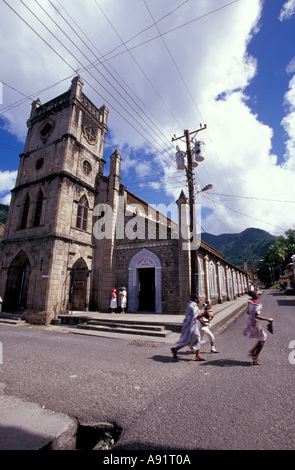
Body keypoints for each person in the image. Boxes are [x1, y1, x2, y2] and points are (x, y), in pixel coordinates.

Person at [171, 294, 207, 361]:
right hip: (192, 326)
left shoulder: (191, 305)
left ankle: (175, 349)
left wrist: (203, 322)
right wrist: (204, 313)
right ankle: (197, 356)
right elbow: (195, 317)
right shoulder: (193, 306)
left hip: (190, 325)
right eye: (199, 298)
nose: (200, 299)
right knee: (197, 339)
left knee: (188, 340)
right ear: (196, 299)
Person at [243, 290, 273, 365]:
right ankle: (255, 357)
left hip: (250, 321)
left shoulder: (250, 302)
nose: (258, 295)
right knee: (263, 338)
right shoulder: (257, 304)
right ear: (255, 295)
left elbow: (248, 312)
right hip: (255, 323)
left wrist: (252, 315)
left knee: (262, 337)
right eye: (257, 294)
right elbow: (257, 315)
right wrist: (267, 319)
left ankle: (253, 351)